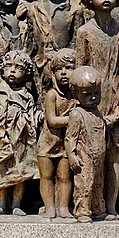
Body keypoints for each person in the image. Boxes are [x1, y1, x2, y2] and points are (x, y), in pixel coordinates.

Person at [72, 0, 119, 218]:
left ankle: (110, 206)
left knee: (112, 158)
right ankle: (89, 205)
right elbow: (78, 70)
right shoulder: (84, 32)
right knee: (90, 158)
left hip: (115, 102)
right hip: (90, 105)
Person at [0, 50, 40, 215]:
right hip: (0, 139)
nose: (12, 71)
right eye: (8, 67)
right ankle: (0, 203)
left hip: (21, 141)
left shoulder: (27, 96)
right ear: (2, 70)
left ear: (26, 73)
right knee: (1, 171)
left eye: (19, 68)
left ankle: (16, 203)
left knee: (20, 171)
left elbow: (32, 114)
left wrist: (36, 118)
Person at [38, 48, 76, 219]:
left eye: (68, 68)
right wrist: (74, 118)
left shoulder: (76, 97)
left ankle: (63, 207)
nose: (64, 73)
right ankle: (49, 207)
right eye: (59, 69)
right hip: (47, 143)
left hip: (65, 144)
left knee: (64, 177)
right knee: (46, 177)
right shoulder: (51, 95)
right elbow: (52, 120)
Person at [65, 66, 107, 223]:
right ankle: (82, 210)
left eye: (96, 93)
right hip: (84, 156)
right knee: (84, 184)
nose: (93, 98)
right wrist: (71, 155)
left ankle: (97, 208)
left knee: (98, 183)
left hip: (99, 156)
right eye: (87, 95)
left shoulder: (97, 112)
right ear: (75, 94)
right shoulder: (77, 114)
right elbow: (70, 137)